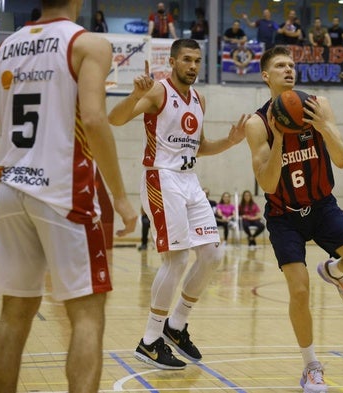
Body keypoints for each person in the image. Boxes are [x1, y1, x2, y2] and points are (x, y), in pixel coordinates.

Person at [0, 0, 138, 391]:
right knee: (87, 313)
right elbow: (92, 118)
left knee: (13, 315)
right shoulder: (87, 44)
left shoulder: (2, 50)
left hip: (10, 188)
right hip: (63, 191)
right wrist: (121, 199)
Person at [108, 39, 249, 369]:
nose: (193, 66)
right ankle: (149, 340)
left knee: (213, 254)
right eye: (187, 60)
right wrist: (133, 95)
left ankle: (176, 325)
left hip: (189, 181)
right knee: (176, 259)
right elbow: (114, 119)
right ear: (172, 61)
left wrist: (230, 141)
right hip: (161, 178)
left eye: (197, 60)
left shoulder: (199, 99)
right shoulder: (158, 92)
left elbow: (198, 147)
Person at [244, 46, 343, 393]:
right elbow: (268, 183)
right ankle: (312, 366)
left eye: (291, 65)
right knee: (299, 291)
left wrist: (324, 127)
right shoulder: (257, 123)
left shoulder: (319, 105)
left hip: (321, 205)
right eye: (280, 66)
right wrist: (281, 140)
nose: (288, 70)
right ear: (265, 75)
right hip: (284, 216)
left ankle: (333, 271)